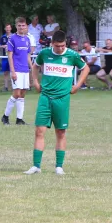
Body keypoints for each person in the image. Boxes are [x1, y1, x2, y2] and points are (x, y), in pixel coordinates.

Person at [24, 30, 90, 175]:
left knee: (60, 132)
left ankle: (59, 166)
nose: (60, 48)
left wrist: (78, 85)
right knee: (39, 131)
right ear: (52, 43)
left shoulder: (72, 55)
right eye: (58, 45)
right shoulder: (45, 53)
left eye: (63, 45)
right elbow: (35, 66)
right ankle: (36, 166)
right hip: (45, 97)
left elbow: (85, 68)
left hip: (62, 99)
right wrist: (35, 81)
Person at [1, 17, 35, 126]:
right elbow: (10, 56)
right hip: (16, 70)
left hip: (25, 70)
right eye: (19, 25)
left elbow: (27, 56)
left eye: (23, 25)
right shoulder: (12, 39)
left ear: (26, 26)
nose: (21, 27)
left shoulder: (27, 39)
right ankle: (5, 117)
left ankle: (19, 119)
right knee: (16, 93)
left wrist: (32, 68)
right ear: (16, 26)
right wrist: (13, 71)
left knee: (22, 95)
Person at [0, 24, 13, 92]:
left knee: (12, 71)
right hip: (5, 57)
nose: (8, 29)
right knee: (5, 72)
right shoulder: (2, 37)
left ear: (11, 28)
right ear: (5, 29)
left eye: (9, 28)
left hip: (12, 57)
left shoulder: (13, 36)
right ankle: (6, 87)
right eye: (6, 28)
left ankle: (14, 87)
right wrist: (3, 46)